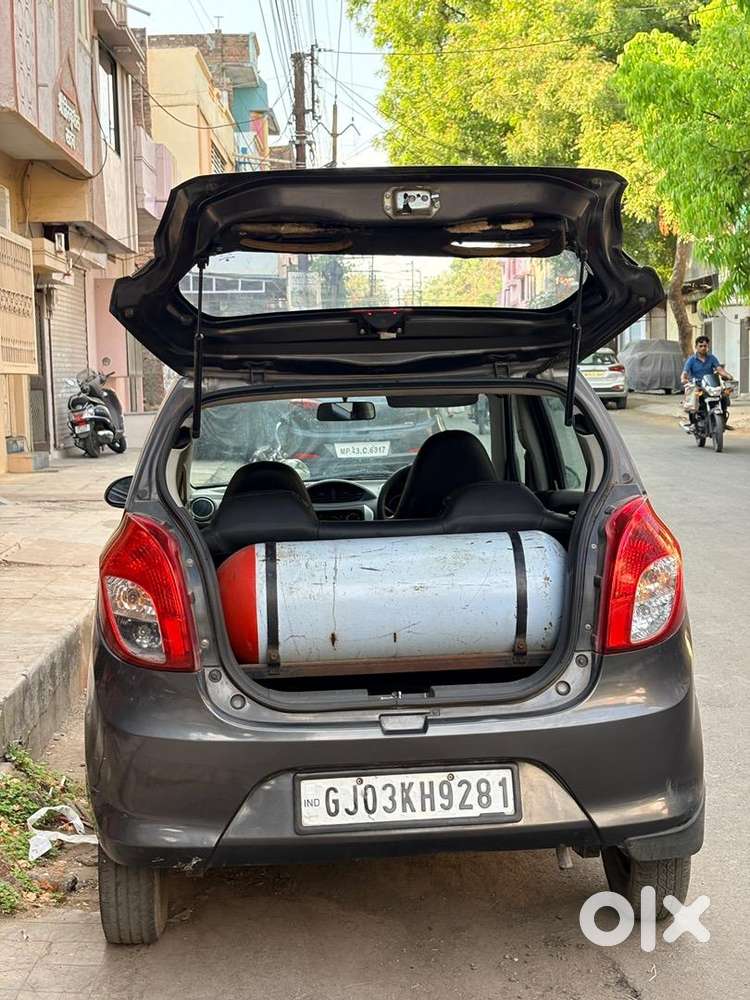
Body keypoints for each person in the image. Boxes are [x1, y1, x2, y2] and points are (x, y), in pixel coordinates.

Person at [681, 335, 734, 429]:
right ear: (696, 347)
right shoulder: (691, 360)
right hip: (698, 386)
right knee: (693, 400)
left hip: (711, 385)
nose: (703, 348)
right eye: (700, 346)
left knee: (724, 396)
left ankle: (723, 421)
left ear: (707, 347)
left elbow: (719, 369)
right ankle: (693, 423)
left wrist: (728, 375)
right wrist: (683, 379)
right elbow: (685, 372)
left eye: (705, 346)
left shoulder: (712, 358)